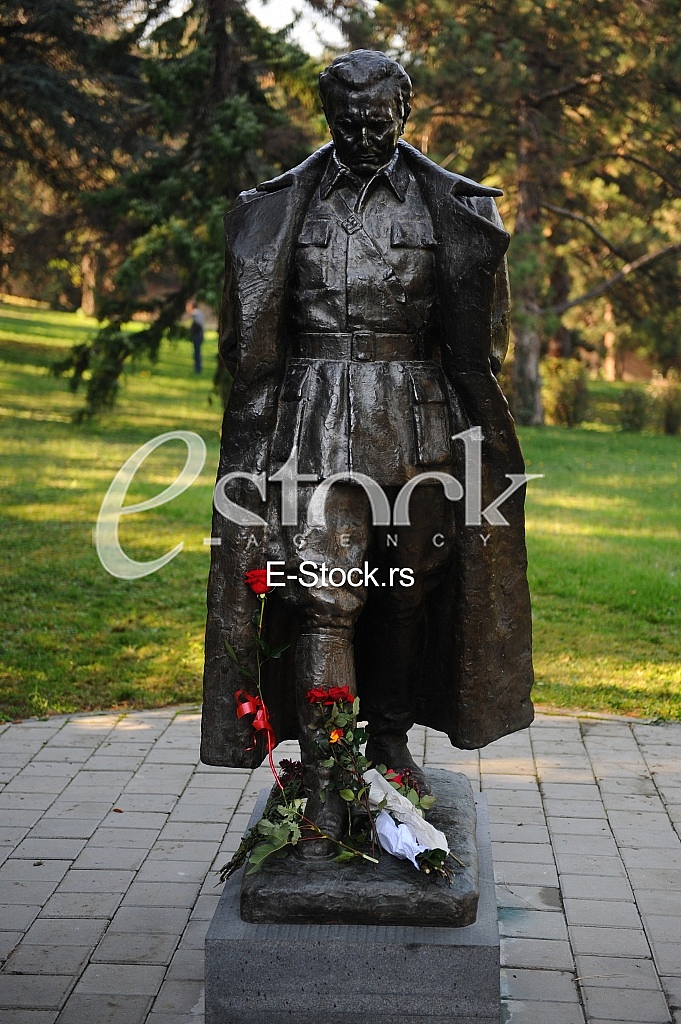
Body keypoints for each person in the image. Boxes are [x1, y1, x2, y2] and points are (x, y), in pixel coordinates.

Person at [201, 50, 534, 857]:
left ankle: (385, 742)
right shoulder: (276, 206)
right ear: (326, 118)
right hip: (313, 420)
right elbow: (250, 337)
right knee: (327, 597)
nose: (361, 134)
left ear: (404, 112)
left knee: (405, 592)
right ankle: (325, 778)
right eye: (346, 122)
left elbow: (477, 344)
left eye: (376, 121)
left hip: (419, 422)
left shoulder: (452, 204)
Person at [188, 300, 205, 373]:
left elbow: (197, 324)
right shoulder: (200, 313)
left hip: (197, 334)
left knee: (197, 352)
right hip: (201, 334)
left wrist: (191, 329)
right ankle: (198, 368)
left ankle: (197, 369)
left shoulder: (195, 313)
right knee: (198, 351)